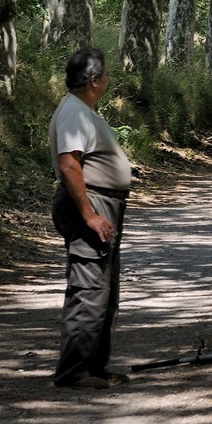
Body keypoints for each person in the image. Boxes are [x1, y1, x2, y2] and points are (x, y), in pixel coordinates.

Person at [49, 47, 133, 389]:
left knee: (104, 292)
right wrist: (89, 214)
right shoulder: (73, 112)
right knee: (89, 289)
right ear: (95, 80)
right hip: (91, 206)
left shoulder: (82, 111)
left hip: (103, 204)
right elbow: (69, 164)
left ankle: (94, 367)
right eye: (107, 76)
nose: (108, 81)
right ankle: (73, 373)